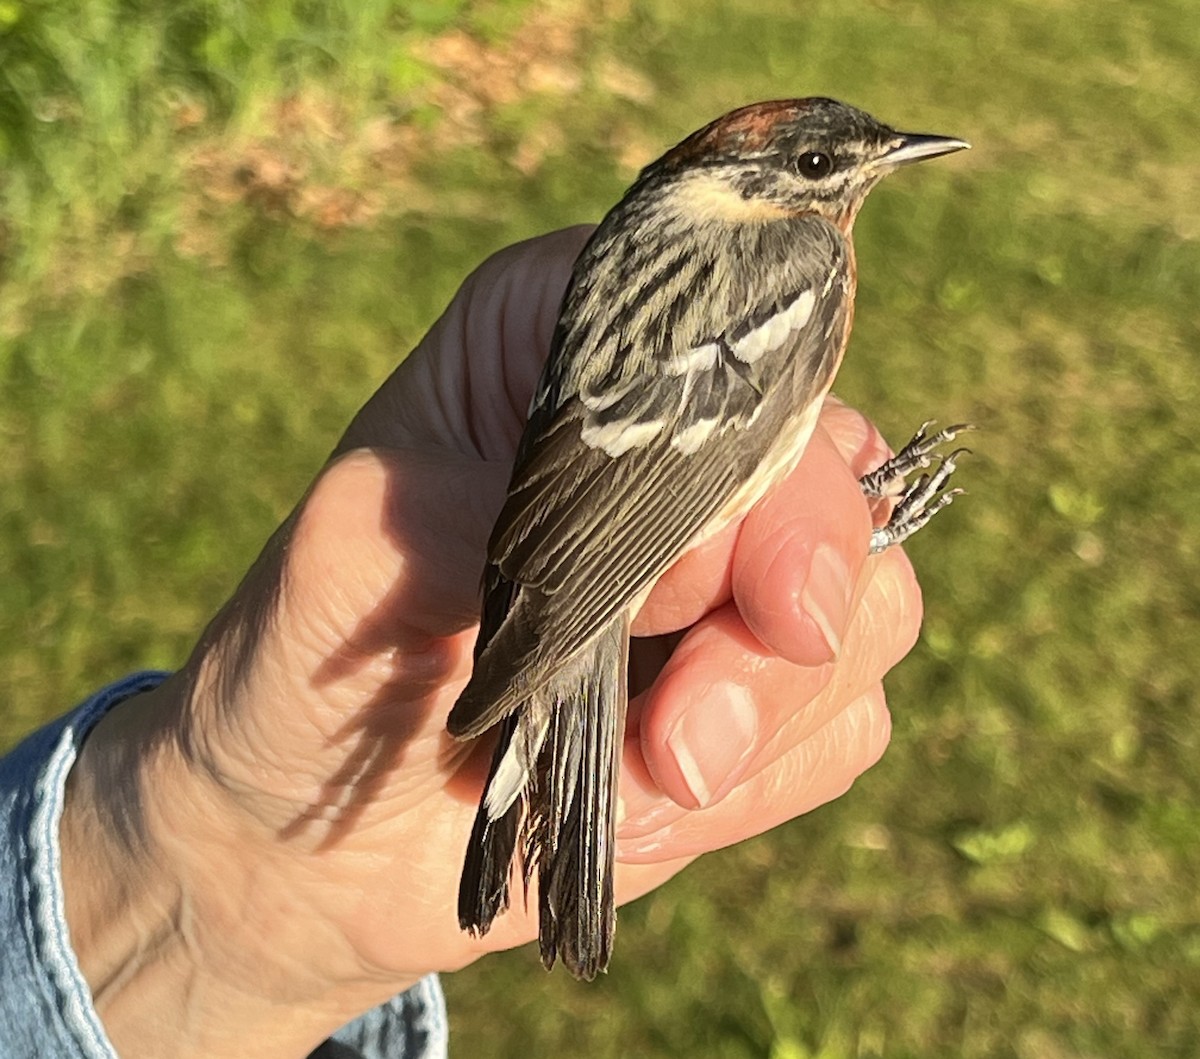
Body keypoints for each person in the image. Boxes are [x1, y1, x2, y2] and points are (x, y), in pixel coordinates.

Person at [0, 228, 922, 1058]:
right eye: (813, 165)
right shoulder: (793, 272)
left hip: (599, 533)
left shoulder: (736, 259)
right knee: (737, 580)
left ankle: (862, 521)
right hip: (605, 539)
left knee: (741, 577)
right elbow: (676, 487)